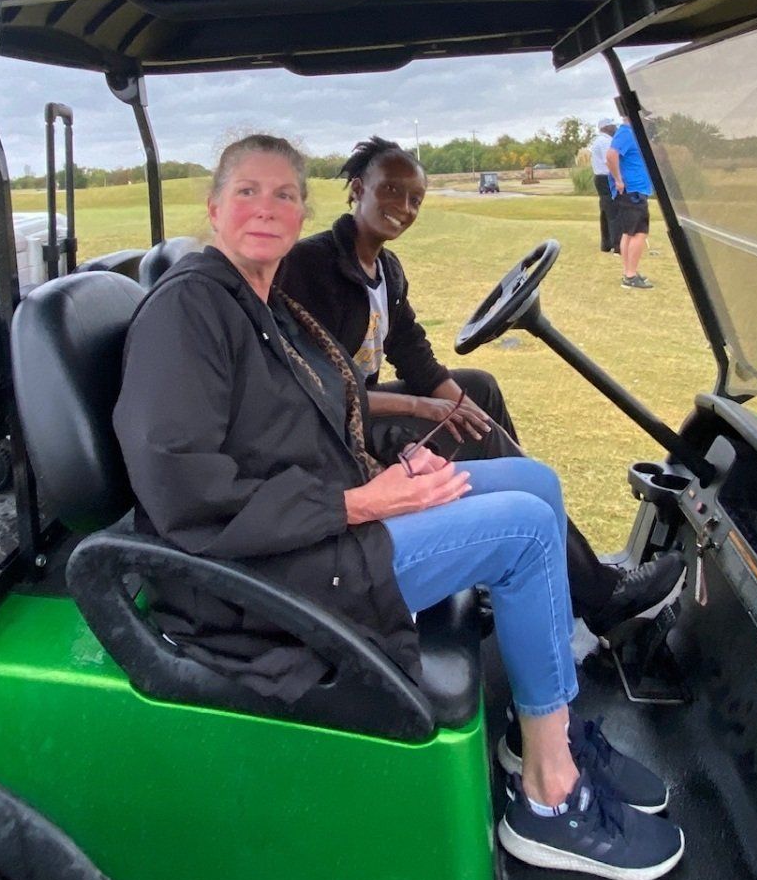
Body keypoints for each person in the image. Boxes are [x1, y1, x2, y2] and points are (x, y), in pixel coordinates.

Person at [115, 134, 684, 880]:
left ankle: (543, 727)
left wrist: (384, 466)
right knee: (525, 531)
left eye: (284, 194)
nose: (267, 208)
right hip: (259, 576)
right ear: (215, 207)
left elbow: (301, 429)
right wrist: (356, 500)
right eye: (248, 192)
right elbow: (184, 490)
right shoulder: (189, 310)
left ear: (303, 210)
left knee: (535, 483)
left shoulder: (261, 305)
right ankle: (550, 795)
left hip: (309, 530)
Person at [278, 136, 685, 636]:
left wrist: (457, 403)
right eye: (391, 191)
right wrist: (427, 409)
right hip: (334, 432)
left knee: (479, 391)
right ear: (358, 190)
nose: (403, 208)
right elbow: (319, 391)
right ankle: (600, 595)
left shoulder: (386, 269)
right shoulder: (310, 266)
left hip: (360, 410)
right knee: (477, 432)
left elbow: (415, 355)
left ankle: (545, 552)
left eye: (415, 200)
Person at [605, 115, 654, 290]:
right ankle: (631, 275)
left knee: (629, 232)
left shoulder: (629, 133)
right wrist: (619, 180)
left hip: (634, 190)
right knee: (639, 233)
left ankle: (629, 273)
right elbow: (611, 156)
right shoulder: (626, 132)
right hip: (633, 191)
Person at [589, 117, 618, 254]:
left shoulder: (601, 141)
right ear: (606, 127)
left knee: (606, 210)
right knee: (613, 210)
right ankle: (617, 244)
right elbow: (610, 161)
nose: (615, 128)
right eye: (612, 126)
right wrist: (619, 178)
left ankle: (606, 243)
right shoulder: (604, 142)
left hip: (602, 178)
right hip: (606, 177)